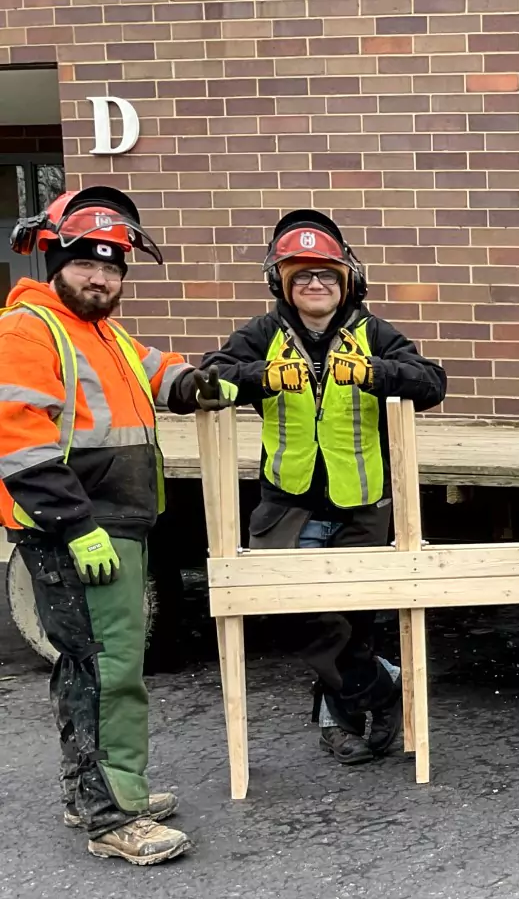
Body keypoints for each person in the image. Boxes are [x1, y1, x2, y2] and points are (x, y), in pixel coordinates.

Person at [1, 187, 229, 864]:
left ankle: (97, 791)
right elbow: (18, 441)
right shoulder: (28, 330)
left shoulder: (100, 332)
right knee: (106, 670)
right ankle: (110, 816)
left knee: (92, 666)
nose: (101, 277)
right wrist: (76, 527)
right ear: (56, 262)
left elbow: (151, 371)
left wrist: (199, 382)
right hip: (80, 532)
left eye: (114, 266)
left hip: (114, 524)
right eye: (86, 265)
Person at [200, 210, 446, 765]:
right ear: (284, 285)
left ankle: (340, 725)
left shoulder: (375, 333)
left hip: (362, 503)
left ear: (346, 282)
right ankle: (383, 695)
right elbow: (211, 375)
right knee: (299, 612)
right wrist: (258, 377)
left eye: (327, 276)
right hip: (287, 505)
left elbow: (433, 382)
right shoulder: (261, 335)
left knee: (352, 617)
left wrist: (376, 374)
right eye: (303, 276)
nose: (316, 284)